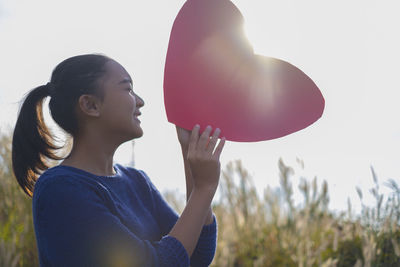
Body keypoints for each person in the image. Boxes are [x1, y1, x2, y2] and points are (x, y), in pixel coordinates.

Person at [11, 54, 226, 267]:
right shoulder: (60, 190)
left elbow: (196, 255)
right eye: (128, 89)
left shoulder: (137, 181)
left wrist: (189, 150)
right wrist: (204, 188)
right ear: (90, 105)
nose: (140, 101)